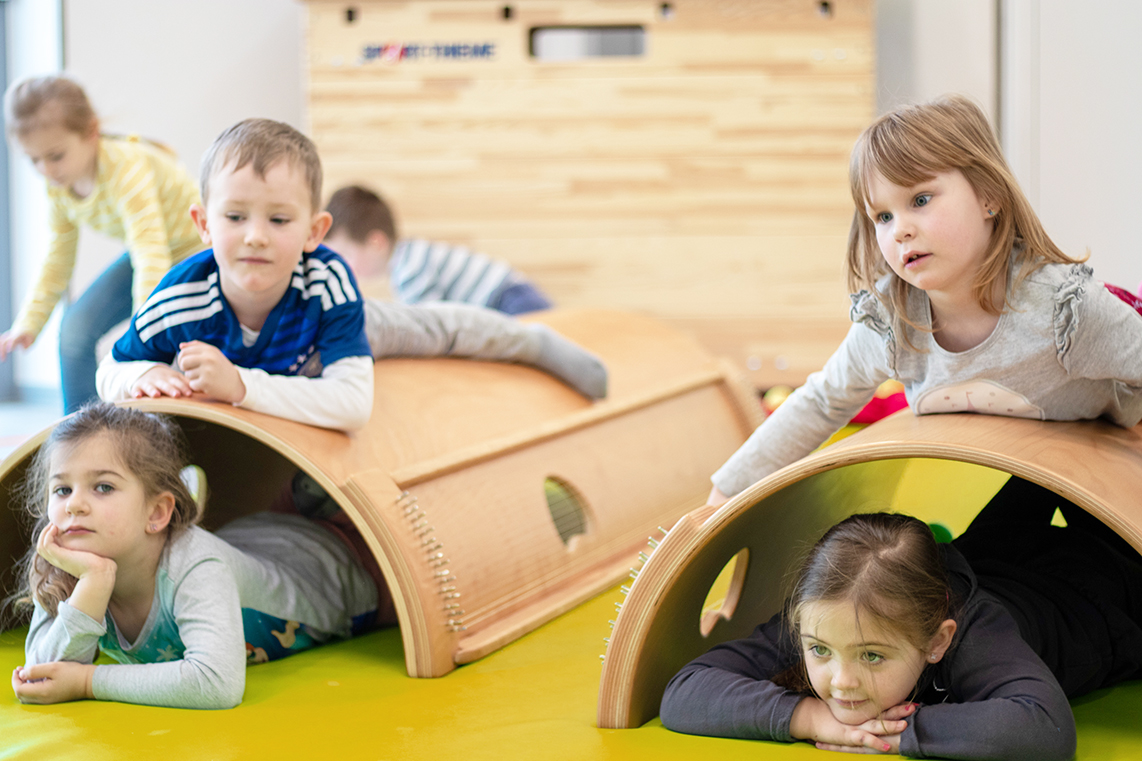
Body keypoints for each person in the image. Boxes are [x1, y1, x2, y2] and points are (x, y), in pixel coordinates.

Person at [707, 95, 1142, 506]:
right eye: (883, 216)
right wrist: (727, 491)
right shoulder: (891, 323)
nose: (900, 230)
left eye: (920, 199)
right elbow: (824, 400)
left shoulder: (1061, 311)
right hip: (1013, 466)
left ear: (988, 196)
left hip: (1101, 450)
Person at [96, 121, 606, 433]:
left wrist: (239, 386)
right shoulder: (180, 301)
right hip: (279, 363)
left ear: (314, 232)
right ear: (204, 225)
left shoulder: (328, 283)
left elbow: (352, 406)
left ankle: (530, 341)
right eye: (234, 218)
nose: (254, 237)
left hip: (324, 334)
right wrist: (138, 374)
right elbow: (109, 371)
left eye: (278, 220)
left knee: (441, 328)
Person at [660, 478, 1142, 759]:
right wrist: (809, 719)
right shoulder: (829, 620)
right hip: (1001, 552)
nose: (841, 681)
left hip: (1103, 588)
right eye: (819, 652)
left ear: (938, 642)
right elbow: (684, 692)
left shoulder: (973, 633)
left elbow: (1046, 728)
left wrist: (899, 734)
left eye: (872, 656)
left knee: (1075, 481)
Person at [10, 403, 382, 709]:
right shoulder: (68, 564)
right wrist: (92, 585)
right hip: (252, 538)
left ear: (157, 513)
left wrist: (89, 681)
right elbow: (42, 674)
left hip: (336, 566)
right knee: (237, 543)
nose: (74, 504)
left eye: (103, 487)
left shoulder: (196, 565)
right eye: (61, 489)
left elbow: (217, 683)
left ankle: (313, 498)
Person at [0, 75, 203, 414]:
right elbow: (57, 260)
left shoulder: (125, 166)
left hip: (195, 252)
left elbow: (149, 249)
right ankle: (77, 439)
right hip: (152, 253)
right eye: (33, 160)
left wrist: (145, 327)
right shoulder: (58, 187)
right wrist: (29, 323)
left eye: (55, 155)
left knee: (170, 346)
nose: (45, 170)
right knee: (74, 331)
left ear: (91, 132)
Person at [324, 185, 553, 315]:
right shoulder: (411, 256)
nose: (346, 266)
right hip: (509, 294)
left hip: (508, 300)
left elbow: (430, 324)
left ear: (376, 243)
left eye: (346, 255)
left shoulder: (409, 270)